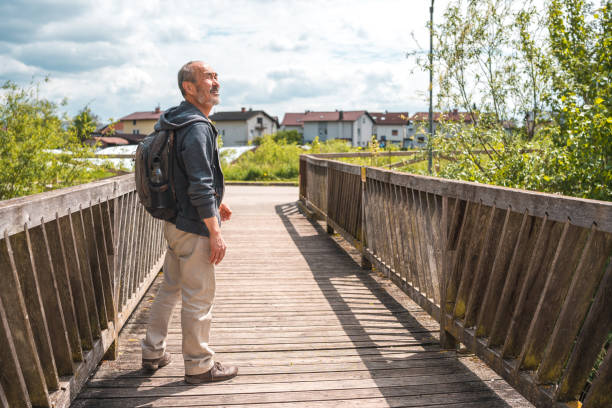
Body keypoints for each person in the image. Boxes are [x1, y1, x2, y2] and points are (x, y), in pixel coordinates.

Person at [140, 61, 238, 384]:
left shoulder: (174, 120)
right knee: (198, 296)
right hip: (194, 228)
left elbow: (181, 173)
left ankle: (153, 351)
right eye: (208, 77)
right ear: (190, 88)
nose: (216, 82)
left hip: (174, 222)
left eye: (216, 76)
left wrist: (216, 202)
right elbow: (197, 181)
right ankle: (199, 365)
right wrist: (214, 231)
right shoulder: (196, 126)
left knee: (169, 288)